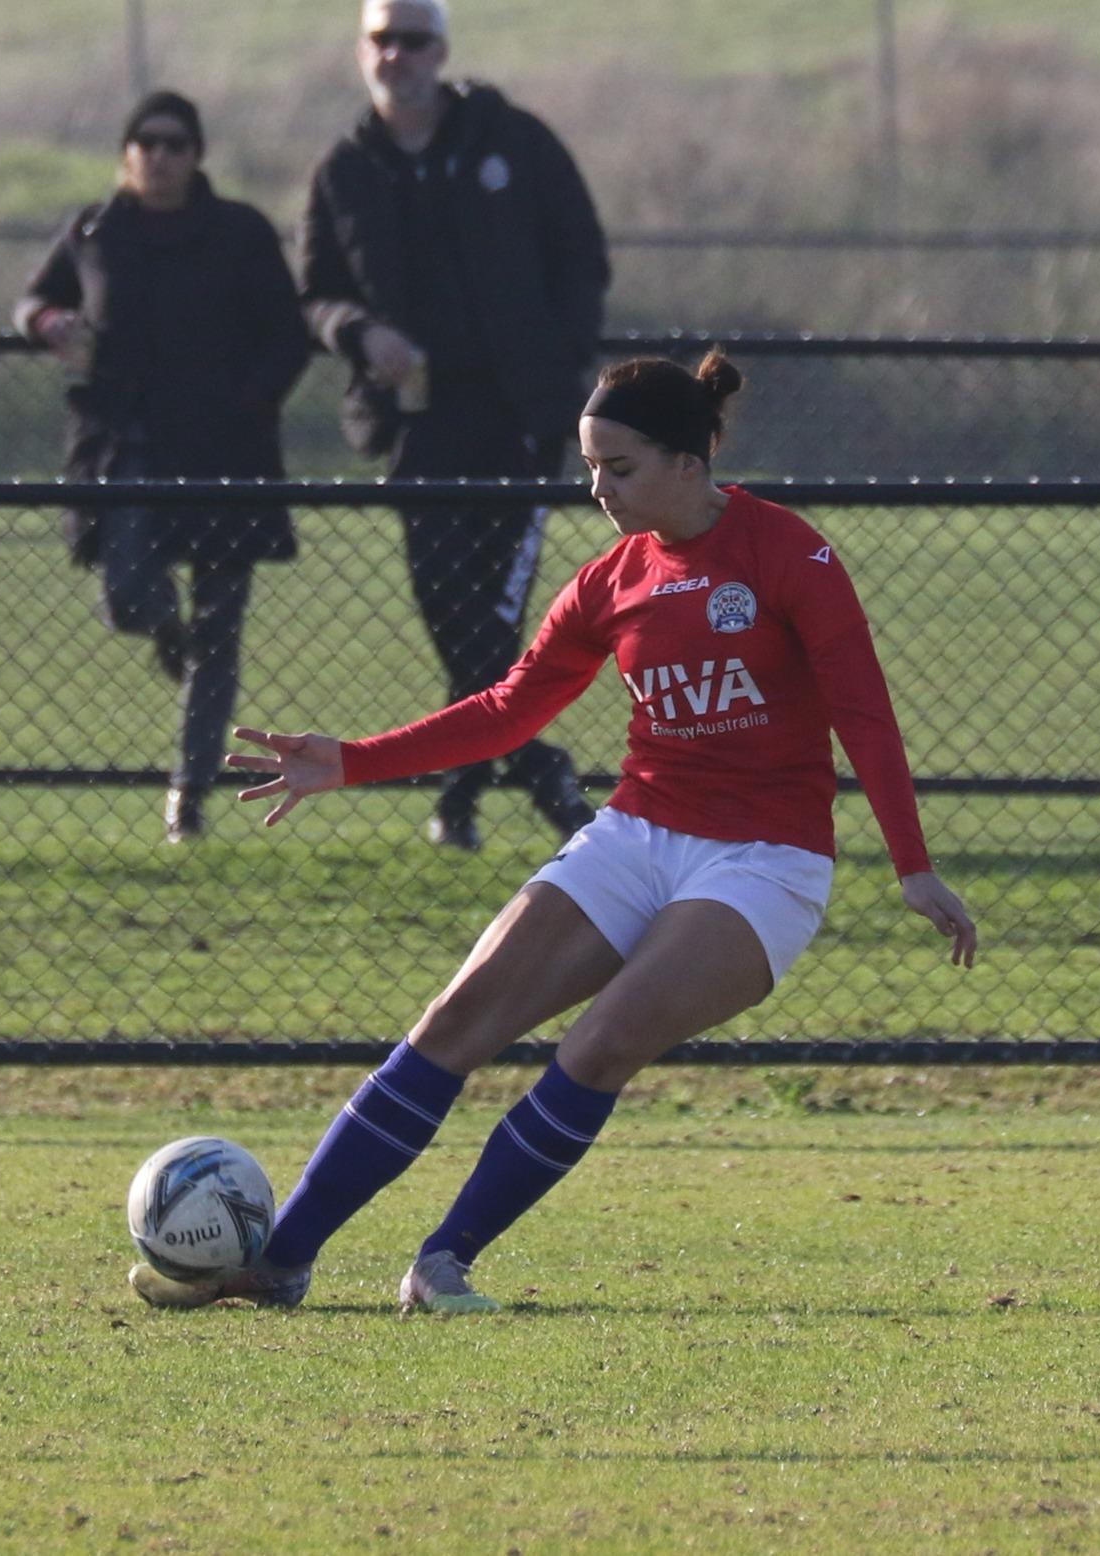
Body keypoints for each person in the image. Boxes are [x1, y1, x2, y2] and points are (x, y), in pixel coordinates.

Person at [130, 351, 980, 1315]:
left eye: (618, 468)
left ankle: (443, 1262)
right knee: (453, 1025)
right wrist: (353, 759)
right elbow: (506, 710)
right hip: (638, 831)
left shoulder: (790, 555)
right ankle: (277, 1262)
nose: (597, 489)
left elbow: (863, 713)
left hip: (764, 863)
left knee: (599, 1044)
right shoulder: (612, 580)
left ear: (689, 465)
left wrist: (912, 866)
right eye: (588, 467)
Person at [299, 0, 611, 851]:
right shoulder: (345, 168)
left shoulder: (514, 141)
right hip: (416, 425)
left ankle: (464, 796)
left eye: (412, 40)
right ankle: (534, 769)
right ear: (362, 50)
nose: (395, 55)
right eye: (380, 40)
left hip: (517, 419)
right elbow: (316, 293)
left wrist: (561, 359)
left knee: (492, 619)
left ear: (441, 50)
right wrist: (360, 334)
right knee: (452, 610)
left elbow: (580, 254)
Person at [15, 91, 311, 842]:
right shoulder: (94, 228)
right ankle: (167, 640)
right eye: (146, 141)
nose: (161, 154)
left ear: (197, 153)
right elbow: (34, 300)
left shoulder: (239, 232)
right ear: (126, 152)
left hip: (224, 451)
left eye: (176, 142)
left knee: (221, 628)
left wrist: (251, 400)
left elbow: (289, 332)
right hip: (126, 444)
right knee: (127, 596)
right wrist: (49, 322)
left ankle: (190, 794)